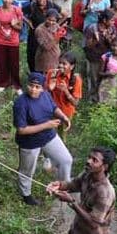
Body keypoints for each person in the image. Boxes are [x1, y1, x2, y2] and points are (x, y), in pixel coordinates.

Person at [46, 147, 117, 234]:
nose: (89, 161)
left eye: (94, 160)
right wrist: (59, 185)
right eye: (89, 157)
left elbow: (94, 223)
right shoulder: (87, 174)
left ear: (105, 166)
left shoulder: (105, 193)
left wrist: (72, 202)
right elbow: (73, 184)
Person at [13, 72, 73, 206]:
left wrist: (63, 117)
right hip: (29, 141)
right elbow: (21, 130)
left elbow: (54, 107)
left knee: (66, 159)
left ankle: (63, 187)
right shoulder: (20, 103)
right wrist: (47, 125)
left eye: (37, 87)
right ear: (26, 85)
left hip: (47, 135)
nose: (33, 89)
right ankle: (26, 194)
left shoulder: (45, 95)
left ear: (42, 88)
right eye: (31, 85)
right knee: (27, 170)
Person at [0, 0, 24, 92]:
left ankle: (16, 85)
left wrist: (14, 25)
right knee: (1, 62)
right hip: (0, 40)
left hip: (13, 41)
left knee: (14, 63)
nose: (7, 0)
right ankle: (2, 82)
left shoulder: (17, 10)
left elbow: (20, 28)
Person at [45, 53, 82, 140]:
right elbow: (43, 93)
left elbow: (76, 103)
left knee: (61, 137)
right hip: (51, 110)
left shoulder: (76, 80)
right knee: (47, 135)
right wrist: (50, 87)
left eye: (64, 64)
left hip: (66, 112)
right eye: (60, 63)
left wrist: (66, 91)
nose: (60, 66)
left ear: (72, 67)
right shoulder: (52, 73)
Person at [83, 10, 115, 102]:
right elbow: (88, 46)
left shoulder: (112, 29)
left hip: (106, 59)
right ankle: (92, 100)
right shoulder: (92, 28)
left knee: (104, 80)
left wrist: (107, 38)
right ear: (105, 20)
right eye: (111, 20)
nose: (113, 22)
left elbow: (113, 43)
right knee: (94, 79)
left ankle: (103, 100)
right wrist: (96, 40)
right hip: (95, 58)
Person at [27, 0, 60, 72]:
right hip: (35, 34)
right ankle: (34, 76)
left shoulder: (52, 5)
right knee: (32, 54)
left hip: (48, 34)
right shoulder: (32, 5)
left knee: (48, 54)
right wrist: (28, 22)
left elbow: (64, 14)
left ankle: (46, 75)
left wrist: (57, 25)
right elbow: (20, 12)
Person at [35, 8, 65, 74]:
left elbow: (58, 40)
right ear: (45, 18)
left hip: (55, 59)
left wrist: (62, 31)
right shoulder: (39, 30)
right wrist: (57, 36)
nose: (51, 22)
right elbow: (46, 47)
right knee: (45, 81)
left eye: (53, 21)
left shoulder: (56, 26)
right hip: (44, 61)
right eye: (49, 20)